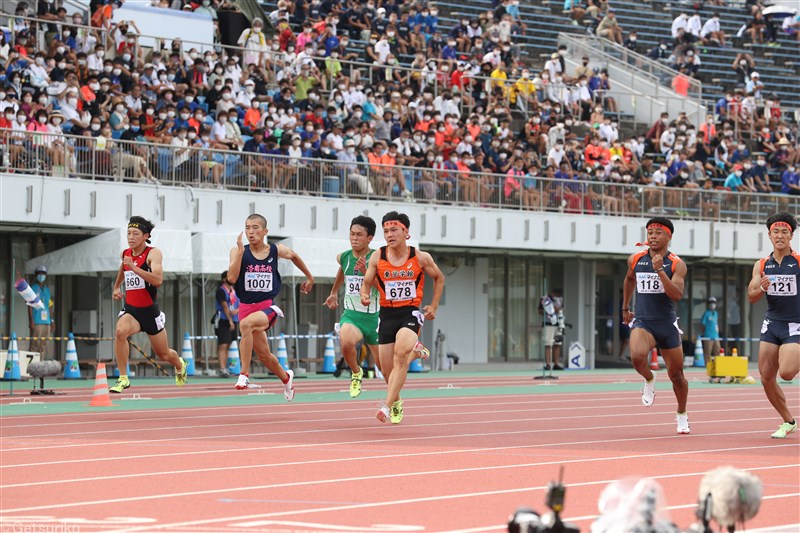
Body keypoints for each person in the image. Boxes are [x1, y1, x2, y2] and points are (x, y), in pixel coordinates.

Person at [360, 211, 444, 424]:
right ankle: (399, 394)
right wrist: (364, 294)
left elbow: (439, 278)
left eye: (394, 230)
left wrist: (433, 305)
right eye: (386, 231)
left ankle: (386, 407)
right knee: (387, 372)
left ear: (406, 232)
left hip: (410, 312)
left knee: (399, 356)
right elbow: (367, 281)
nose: (389, 234)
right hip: (386, 314)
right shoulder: (378, 256)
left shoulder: (420, 257)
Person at [227, 214, 314, 398]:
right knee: (265, 357)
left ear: (265, 231)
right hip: (245, 307)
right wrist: (241, 253)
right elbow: (232, 278)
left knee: (245, 325)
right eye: (247, 227)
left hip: (267, 307)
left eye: (255, 227)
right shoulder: (237, 252)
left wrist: (309, 277)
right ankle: (286, 378)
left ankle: (243, 374)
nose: (251, 232)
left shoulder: (275, 250)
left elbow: (294, 256)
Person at [621, 217, 690, 434]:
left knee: (677, 376)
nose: (652, 236)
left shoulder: (677, 264)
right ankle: (649, 378)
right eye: (650, 232)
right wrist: (625, 307)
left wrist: (660, 271)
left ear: (668, 237)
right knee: (636, 356)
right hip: (643, 321)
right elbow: (629, 279)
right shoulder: (636, 259)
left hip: (667, 325)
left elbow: (677, 295)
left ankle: (682, 413)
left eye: (658, 233)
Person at [110, 217, 187, 393]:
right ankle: (123, 378)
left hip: (149, 312)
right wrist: (116, 287)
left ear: (146, 236)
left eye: (135, 234)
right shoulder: (126, 254)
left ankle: (179, 364)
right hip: (131, 309)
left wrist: (135, 268)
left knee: (164, 354)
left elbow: (158, 280)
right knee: (120, 332)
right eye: (128, 233)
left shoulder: (153, 254)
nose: (131, 237)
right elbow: (123, 268)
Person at [747, 212, 799, 439]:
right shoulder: (761, 265)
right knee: (767, 377)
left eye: (784, 232)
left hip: (795, 324)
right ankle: (788, 421)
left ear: (791, 236)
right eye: (776, 232)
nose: (780, 236)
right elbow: (751, 295)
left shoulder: (798, 262)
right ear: (769, 235)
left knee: (786, 373)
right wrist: (762, 288)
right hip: (771, 324)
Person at [325, 216, 383, 398]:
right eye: (352, 234)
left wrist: (367, 275)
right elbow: (342, 272)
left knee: (386, 369)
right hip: (352, 314)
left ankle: (395, 401)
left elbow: (384, 288)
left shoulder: (378, 258)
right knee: (346, 341)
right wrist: (334, 292)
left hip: (374, 318)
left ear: (369, 238)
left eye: (359, 235)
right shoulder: (344, 257)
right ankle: (356, 373)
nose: (354, 238)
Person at [214, 270, 239, 377]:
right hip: (223, 319)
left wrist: (236, 312)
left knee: (229, 344)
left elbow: (241, 303)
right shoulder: (221, 290)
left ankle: (226, 367)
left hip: (234, 319)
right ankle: (222, 368)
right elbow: (224, 306)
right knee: (223, 344)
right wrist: (229, 320)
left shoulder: (234, 290)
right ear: (224, 279)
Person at [28, 266, 55, 360]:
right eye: (39, 273)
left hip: (47, 322)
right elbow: (29, 305)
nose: (41, 275)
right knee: (34, 345)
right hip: (37, 321)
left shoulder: (47, 290)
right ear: (36, 275)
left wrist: (52, 321)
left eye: (43, 274)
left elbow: (50, 306)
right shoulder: (32, 288)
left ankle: (40, 367)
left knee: (43, 346)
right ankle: (31, 367)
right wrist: (31, 320)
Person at [540, 288, 564, 370]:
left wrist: (559, 310)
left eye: (559, 293)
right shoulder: (545, 299)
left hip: (558, 323)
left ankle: (556, 363)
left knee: (557, 343)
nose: (557, 295)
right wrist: (550, 310)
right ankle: (547, 364)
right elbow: (539, 310)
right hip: (548, 324)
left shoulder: (560, 299)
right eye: (556, 293)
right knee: (548, 344)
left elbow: (562, 309)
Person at [700, 296, 720, 364]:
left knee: (718, 351)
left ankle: (718, 365)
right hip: (708, 336)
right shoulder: (706, 314)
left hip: (716, 336)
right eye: (711, 303)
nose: (712, 304)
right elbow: (703, 325)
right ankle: (707, 365)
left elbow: (716, 324)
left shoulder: (716, 313)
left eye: (714, 303)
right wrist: (704, 334)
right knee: (708, 352)